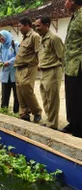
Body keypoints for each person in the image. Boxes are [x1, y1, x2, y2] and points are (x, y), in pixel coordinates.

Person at [35, 15, 64, 130]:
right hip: (43, 71)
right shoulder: (41, 38)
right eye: (35, 26)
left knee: (52, 99)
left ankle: (53, 124)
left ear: (46, 25)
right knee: (45, 98)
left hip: (52, 71)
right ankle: (49, 120)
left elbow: (62, 56)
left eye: (39, 25)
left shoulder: (54, 39)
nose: (36, 28)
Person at [14, 16, 42, 123]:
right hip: (19, 68)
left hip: (29, 67)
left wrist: (40, 64)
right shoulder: (25, 37)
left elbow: (39, 51)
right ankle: (24, 113)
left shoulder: (35, 36)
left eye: (20, 26)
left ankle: (37, 112)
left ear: (27, 25)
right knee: (20, 91)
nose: (19, 28)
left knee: (26, 89)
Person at [62, 0, 82, 137]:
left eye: (67, 0)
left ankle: (79, 129)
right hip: (70, 66)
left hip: (78, 66)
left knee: (78, 98)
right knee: (71, 97)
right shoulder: (75, 16)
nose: (65, 3)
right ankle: (73, 123)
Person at [0, 30, 19, 113]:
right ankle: (4, 111)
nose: (1, 40)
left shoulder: (15, 44)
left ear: (6, 36)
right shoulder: (2, 46)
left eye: (2, 37)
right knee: (5, 94)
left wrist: (9, 62)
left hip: (14, 72)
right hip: (5, 73)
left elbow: (19, 56)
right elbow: (0, 57)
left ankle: (16, 112)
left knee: (17, 95)